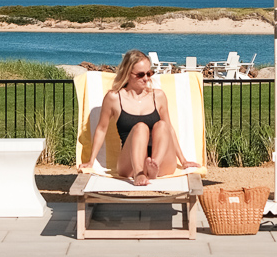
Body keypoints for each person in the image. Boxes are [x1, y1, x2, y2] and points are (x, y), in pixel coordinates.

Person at [79, 50, 198, 185]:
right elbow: (101, 129)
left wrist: (183, 160)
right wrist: (91, 161)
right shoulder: (114, 98)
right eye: (141, 74)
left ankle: (153, 166)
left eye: (149, 73)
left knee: (163, 125)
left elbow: (169, 129)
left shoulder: (158, 96)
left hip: (162, 163)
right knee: (140, 127)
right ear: (127, 73)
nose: (146, 78)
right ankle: (139, 172)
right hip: (129, 165)